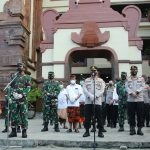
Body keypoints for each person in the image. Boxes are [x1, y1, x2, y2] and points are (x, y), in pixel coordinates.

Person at [8, 63, 31, 138]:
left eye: (20, 67)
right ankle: (13, 131)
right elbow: (10, 87)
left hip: (23, 99)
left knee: (23, 115)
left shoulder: (27, 77)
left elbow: (28, 88)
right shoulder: (14, 77)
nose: (19, 68)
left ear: (24, 68)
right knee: (14, 115)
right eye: (18, 67)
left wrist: (22, 94)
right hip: (15, 99)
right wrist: (13, 94)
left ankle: (24, 131)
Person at [83, 66, 105, 138]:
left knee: (99, 117)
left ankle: (100, 131)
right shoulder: (86, 80)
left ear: (97, 71)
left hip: (97, 101)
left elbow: (102, 90)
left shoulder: (101, 80)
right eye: (92, 71)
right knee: (87, 117)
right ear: (90, 72)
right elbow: (84, 89)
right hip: (88, 101)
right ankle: (87, 131)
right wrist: (90, 95)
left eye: (95, 70)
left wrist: (95, 96)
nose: (93, 72)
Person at [125, 66, 145, 135]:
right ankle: (132, 129)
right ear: (130, 71)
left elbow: (142, 86)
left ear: (137, 70)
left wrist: (136, 92)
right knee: (131, 115)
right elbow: (126, 87)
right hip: (131, 100)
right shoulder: (128, 79)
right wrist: (131, 93)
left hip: (139, 99)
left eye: (135, 69)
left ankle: (139, 129)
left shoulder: (141, 79)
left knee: (140, 115)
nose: (134, 71)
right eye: (132, 70)